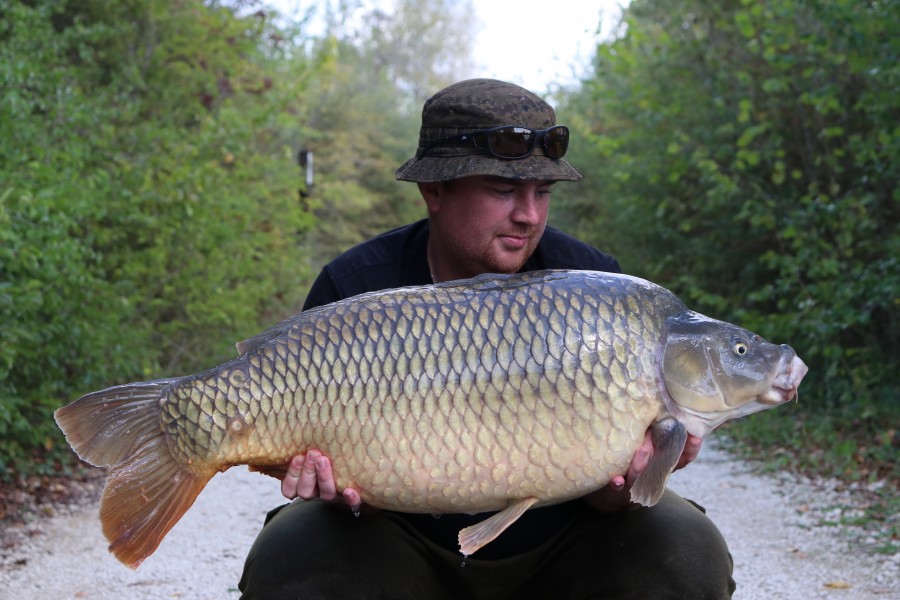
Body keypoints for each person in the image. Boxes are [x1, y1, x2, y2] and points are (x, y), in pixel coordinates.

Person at [239, 78, 735, 599]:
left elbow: (620, 497)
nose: (529, 215)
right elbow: (334, 485)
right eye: (503, 191)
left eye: (542, 193)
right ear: (434, 190)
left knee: (684, 546)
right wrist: (338, 490)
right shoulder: (354, 287)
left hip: (562, 550)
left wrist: (627, 489)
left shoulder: (595, 286)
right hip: (400, 547)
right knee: (294, 550)